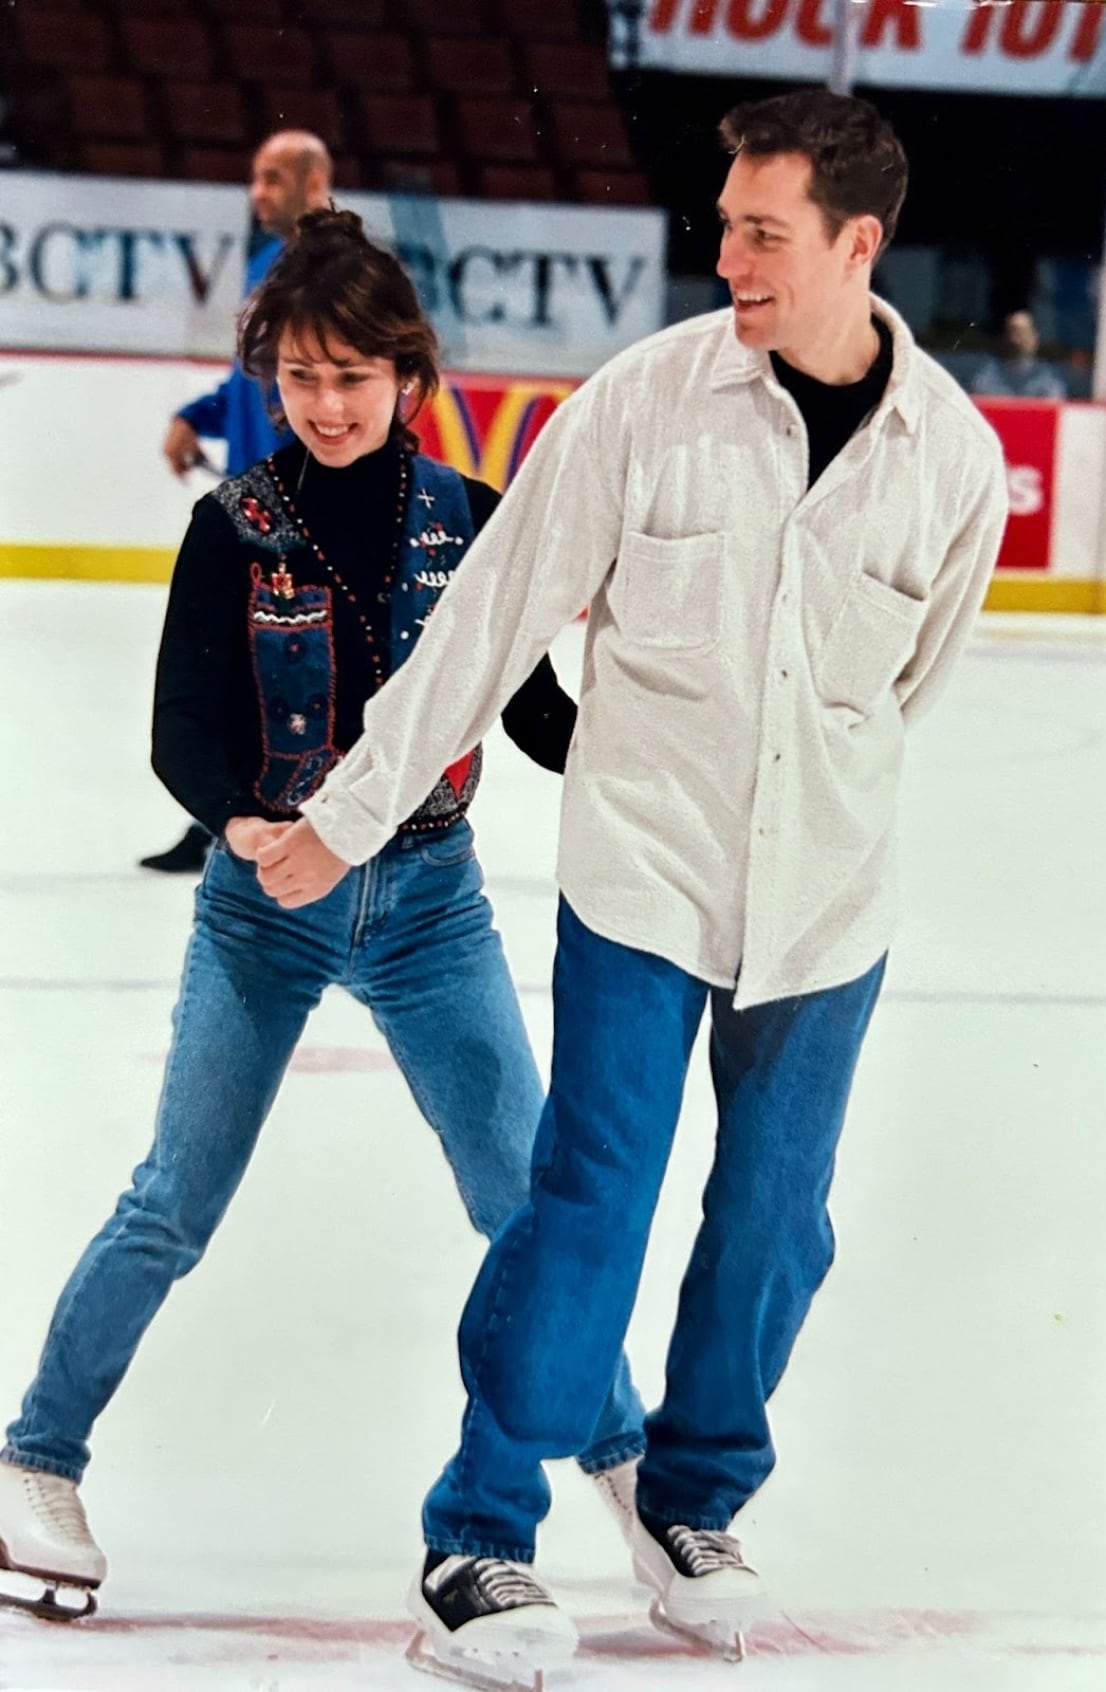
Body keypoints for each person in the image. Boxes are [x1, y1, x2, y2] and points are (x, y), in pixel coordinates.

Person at [251, 90, 1010, 1679]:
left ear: (855, 245)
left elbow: (910, 682)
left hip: (827, 901)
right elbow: (487, 624)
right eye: (725, 220)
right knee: (590, 1202)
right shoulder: (641, 405)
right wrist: (357, 805)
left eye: (762, 231)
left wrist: (814, 793)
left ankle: (693, 1493)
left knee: (776, 1226)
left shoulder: (953, 457)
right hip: (646, 877)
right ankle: (478, 1535)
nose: (723, 251)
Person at [0, 210, 644, 1624]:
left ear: (407, 374)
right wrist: (240, 824)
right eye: (300, 378)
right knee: (173, 1202)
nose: (329, 405)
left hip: (431, 910)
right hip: (263, 912)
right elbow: (182, 728)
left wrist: (646, 762)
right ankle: (34, 1459)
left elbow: (528, 709)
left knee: (526, 1203)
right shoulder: (232, 528)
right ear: (267, 381)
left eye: (355, 375)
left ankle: (632, 1470)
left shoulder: (474, 520)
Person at [142, 130, 333, 875]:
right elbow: (250, 381)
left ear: (315, 179)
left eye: (272, 178)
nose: (257, 194)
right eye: (254, 179)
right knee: (228, 671)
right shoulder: (265, 264)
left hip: (302, 509)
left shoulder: (329, 270)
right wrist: (196, 416)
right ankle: (223, 812)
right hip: (250, 510)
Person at [969, 309, 1066, 401]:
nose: (1017, 340)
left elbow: (1053, 405)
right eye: (1013, 332)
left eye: (1024, 333)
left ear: (1035, 337)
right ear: (1004, 338)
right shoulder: (989, 373)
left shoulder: (1048, 375)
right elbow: (982, 401)